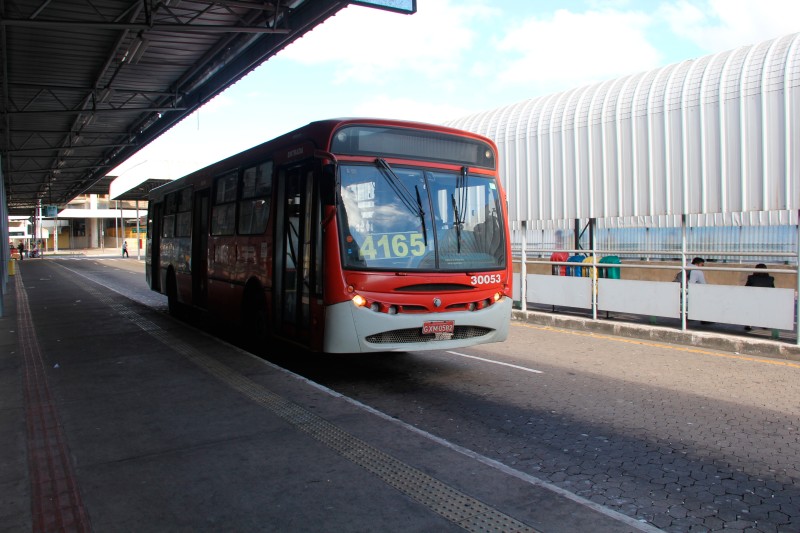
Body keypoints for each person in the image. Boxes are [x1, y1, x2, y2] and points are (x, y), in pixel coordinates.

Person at [744, 264, 774, 331]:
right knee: (764, 307)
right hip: (765, 301)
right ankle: (764, 324)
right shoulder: (770, 279)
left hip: (753, 300)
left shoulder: (751, 278)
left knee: (750, 307)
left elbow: (746, 288)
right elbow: (773, 290)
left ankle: (749, 324)